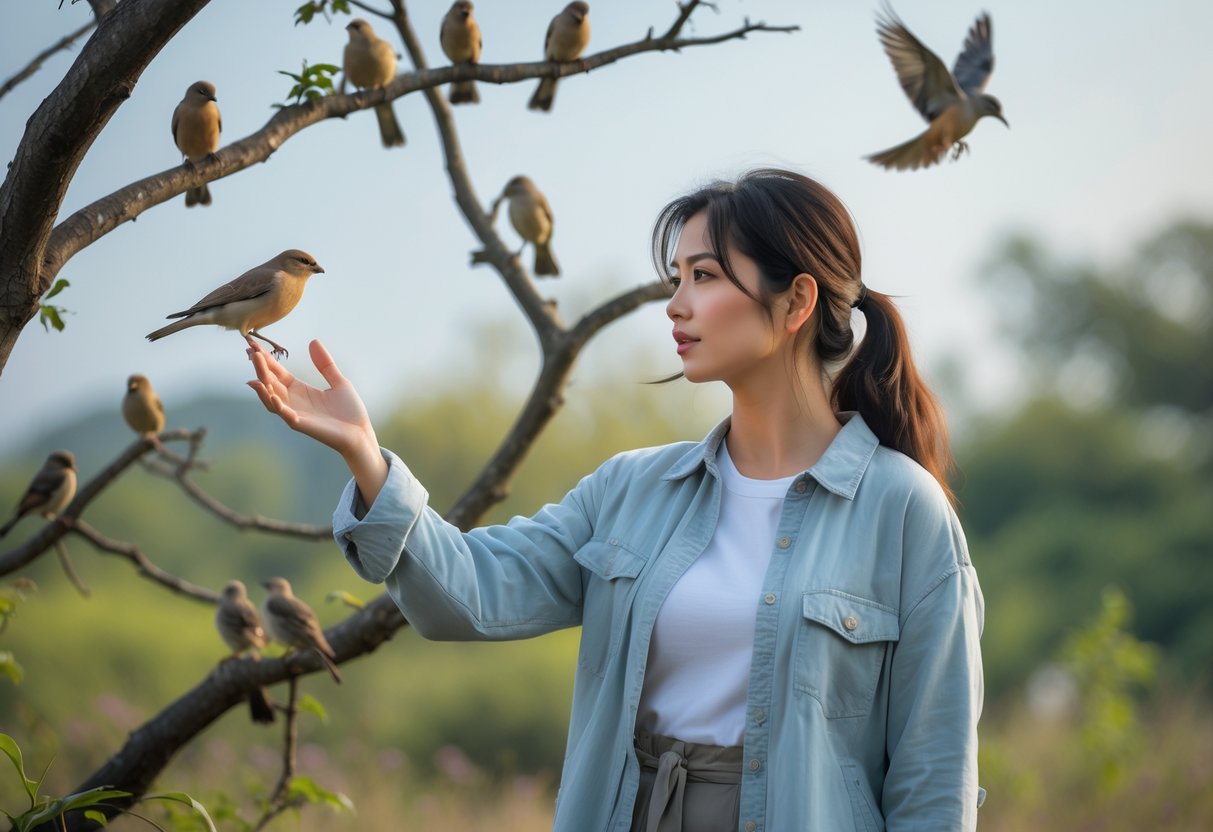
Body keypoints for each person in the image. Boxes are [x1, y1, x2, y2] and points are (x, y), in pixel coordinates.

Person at [247, 168, 985, 831]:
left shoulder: (904, 511)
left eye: (703, 276)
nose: (675, 304)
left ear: (795, 301)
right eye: (675, 277)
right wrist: (365, 457)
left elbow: (932, 780)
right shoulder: (631, 491)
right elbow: (466, 596)